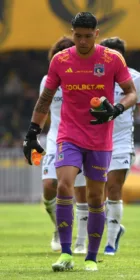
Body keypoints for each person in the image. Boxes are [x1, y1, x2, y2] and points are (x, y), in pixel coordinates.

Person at [22, 12, 137, 272]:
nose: (83, 41)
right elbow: (45, 98)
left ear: (96, 34)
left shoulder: (112, 59)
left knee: (96, 197)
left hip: (100, 138)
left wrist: (117, 109)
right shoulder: (60, 61)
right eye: (78, 35)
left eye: (88, 36)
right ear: (72, 33)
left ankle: (91, 257)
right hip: (68, 136)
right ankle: (65, 253)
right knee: (63, 186)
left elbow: (131, 93)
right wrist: (32, 132)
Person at [99, 37, 140, 255]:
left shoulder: (136, 79)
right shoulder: (92, 76)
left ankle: (110, 240)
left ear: (122, 57)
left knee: (114, 188)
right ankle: (114, 226)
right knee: (96, 194)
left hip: (121, 142)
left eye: (114, 55)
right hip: (93, 141)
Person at [39, 36, 88, 254]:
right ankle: (59, 227)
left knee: (80, 190)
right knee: (49, 186)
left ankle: (80, 239)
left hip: (82, 138)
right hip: (55, 138)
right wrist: (32, 134)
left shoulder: (87, 79)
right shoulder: (48, 80)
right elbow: (42, 108)